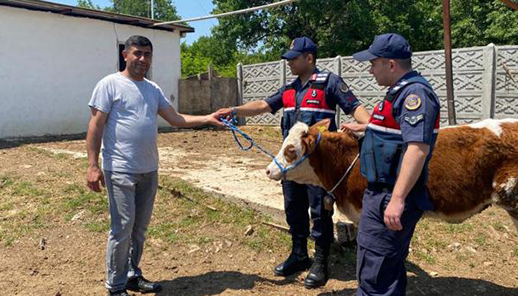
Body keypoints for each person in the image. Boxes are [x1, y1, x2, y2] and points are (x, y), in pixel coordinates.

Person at [217, 36, 370, 289]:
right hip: (291, 164)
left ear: (309, 58)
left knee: (320, 211)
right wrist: (233, 110)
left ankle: (321, 260)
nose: (289, 63)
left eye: (293, 59)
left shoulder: (329, 83)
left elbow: (355, 107)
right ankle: (299, 254)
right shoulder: (288, 90)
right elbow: (263, 106)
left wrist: (369, 126)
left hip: (318, 168)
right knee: (293, 207)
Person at [85, 35, 223, 296]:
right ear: (125, 55)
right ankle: (114, 288)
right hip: (120, 169)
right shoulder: (109, 84)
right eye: (137, 53)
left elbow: (176, 119)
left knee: (139, 229)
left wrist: (208, 117)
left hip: (149, 170)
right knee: (122, 228)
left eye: (147, 54)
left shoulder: (152, 89)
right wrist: (93, 165)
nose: (142, 59)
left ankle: (131, 275)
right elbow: (95, 125)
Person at [348, 33, 441, 296]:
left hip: (390, 194)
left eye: (373, 63)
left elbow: (417, 148)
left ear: (391, 64)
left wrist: (398, 199)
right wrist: (370, 127)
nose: (369, 69)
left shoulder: (415, 94)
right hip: (381, 192)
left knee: (375, 273)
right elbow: (400, 132)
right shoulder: (399, 91)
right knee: (385, 267)